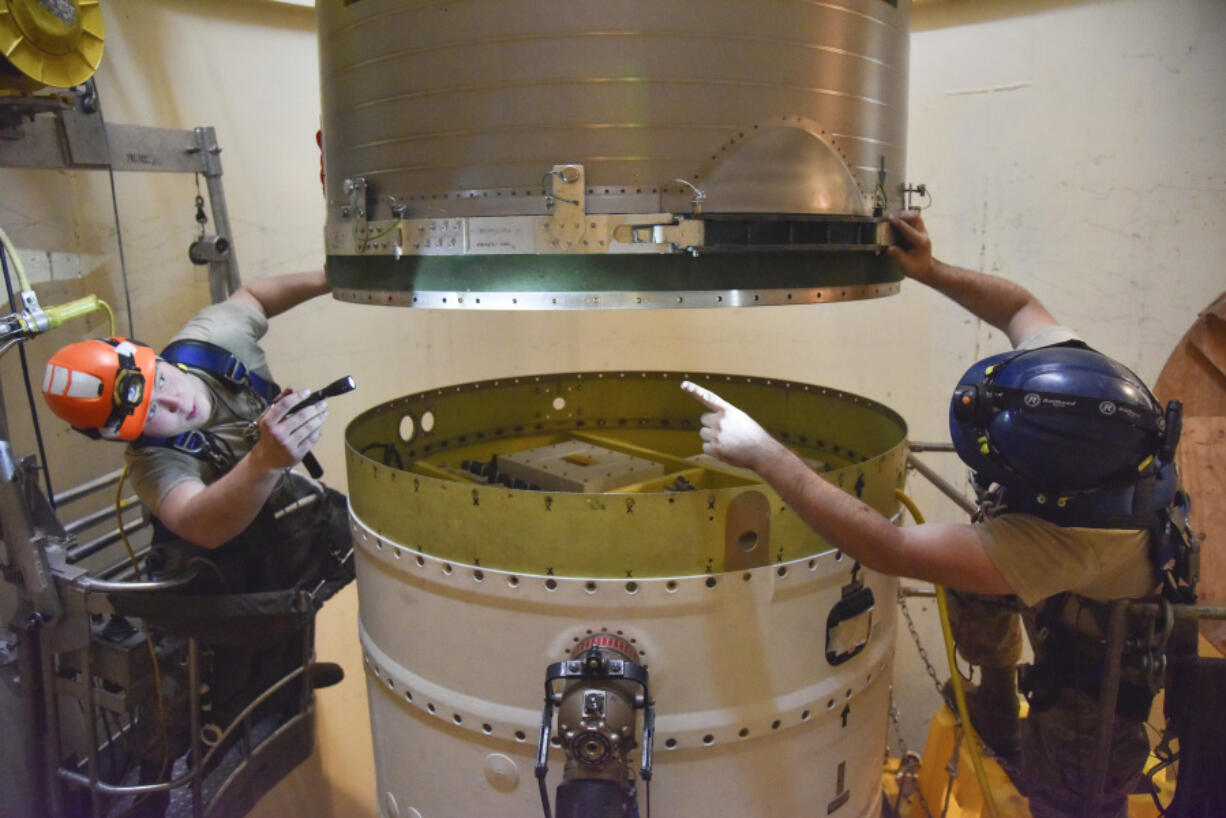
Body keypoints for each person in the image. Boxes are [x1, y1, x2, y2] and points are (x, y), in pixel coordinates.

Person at [682, 210, 1193, 818]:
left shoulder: (1067, 541)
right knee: (973, 574)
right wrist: (929, 270)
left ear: (1047, 484)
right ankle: (995, 701)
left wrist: (763, 453)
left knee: (1075, 779)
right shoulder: (1079, 389)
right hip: (1071, 583)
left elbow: (887, 548)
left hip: (1101, 646)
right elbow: (1018, 305)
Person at [41, 270, 355, 814]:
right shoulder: (152, 460)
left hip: (290, 526)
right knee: (189, 701)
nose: (171, 403)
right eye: (149, 416)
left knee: (319, 603)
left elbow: (253, 295)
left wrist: (334, 276)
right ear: (126, 435)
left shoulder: (209, 346)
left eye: (158, 381)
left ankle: (294, 691)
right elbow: (200, 521)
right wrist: (263, 462)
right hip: (218, 576)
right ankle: (164, 790)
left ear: (151, 356)